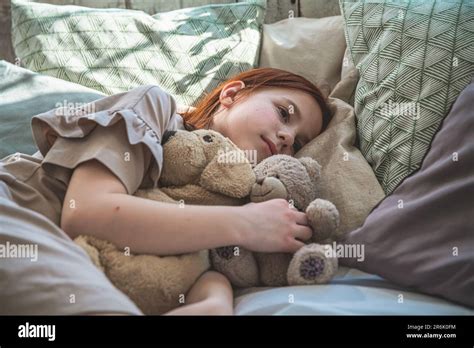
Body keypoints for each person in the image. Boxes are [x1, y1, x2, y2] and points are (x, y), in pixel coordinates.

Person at [0, 68, 332, 315]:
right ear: (232, 94)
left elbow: (198, 265)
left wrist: (216, 302)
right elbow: (85, 212)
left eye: (299, 143)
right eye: (284, 113)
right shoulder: (156, 110)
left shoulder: (234, 194)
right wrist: (246, 224)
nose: (288, 138)